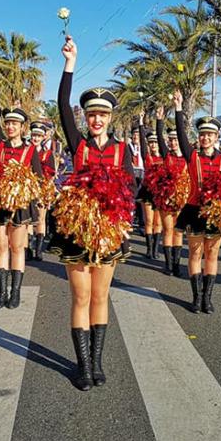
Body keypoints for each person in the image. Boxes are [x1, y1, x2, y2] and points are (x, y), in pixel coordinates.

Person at [48, 36, 136, 391]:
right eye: (91, 114)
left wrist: (116, 213)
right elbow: (61, 105)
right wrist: (70, 63)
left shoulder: (122, 149)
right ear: (85, 117)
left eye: (102, 114)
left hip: (109, 231)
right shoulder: (78, 143)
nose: (96, 119)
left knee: (101, 296)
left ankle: (98, 361)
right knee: (80, 296)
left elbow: (130, 189)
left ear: (110, 117)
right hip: (76, 230)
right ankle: (82, 366)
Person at [0, 83, 43, 310]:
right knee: (0, 247)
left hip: (21, 205)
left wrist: (29, 190)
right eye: (8, 123)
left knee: (16, 248)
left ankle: (15, 292)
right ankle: (2, 292)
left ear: (23, 127)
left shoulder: (30, 150)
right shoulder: (0, 145)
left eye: (15, 123)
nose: (11, 126)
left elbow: (39, 178)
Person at [172, 90, 221, 315]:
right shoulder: (191, 155)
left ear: (216, 137)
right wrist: (178, 107)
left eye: (210, 134)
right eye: (202, 134)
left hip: (216, 213)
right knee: (195, 254)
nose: (205, 137)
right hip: (194, 210)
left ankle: (208, 297)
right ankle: (196, 297)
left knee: (212, 255)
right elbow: (181, 134)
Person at [154, 107, 187, 276]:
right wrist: (159, 121)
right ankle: (168, 264)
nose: (173, 142)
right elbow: (159, 139)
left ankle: (176, 264)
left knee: (178, 231)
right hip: (166, 198)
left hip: (182, 199)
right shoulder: (167, 155)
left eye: (176, 139)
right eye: (171, 140)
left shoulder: (188, 157)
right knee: (168, 230)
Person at [137, 113, 164, 260]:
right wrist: (141, 124)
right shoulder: (147, 157)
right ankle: (149, 248)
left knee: (158, 222)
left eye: (155, 142)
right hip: (147, 191)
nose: (153, 145)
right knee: (148, 220)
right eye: (151, 143)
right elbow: (142, 143)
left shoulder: (165, 157)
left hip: (160, 192)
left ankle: (155, 249)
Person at [29, 121, 56, 261]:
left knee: (40, 219)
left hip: (42, 189)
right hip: (26, 189)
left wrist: (45, 190)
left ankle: (38, 251)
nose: (36, 138)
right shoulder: (25, 150)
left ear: (43, 137)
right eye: (34, 135)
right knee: (27, 220)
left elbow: (52, 174)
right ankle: (27, 249)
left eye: (38, 136)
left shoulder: (47, 154)